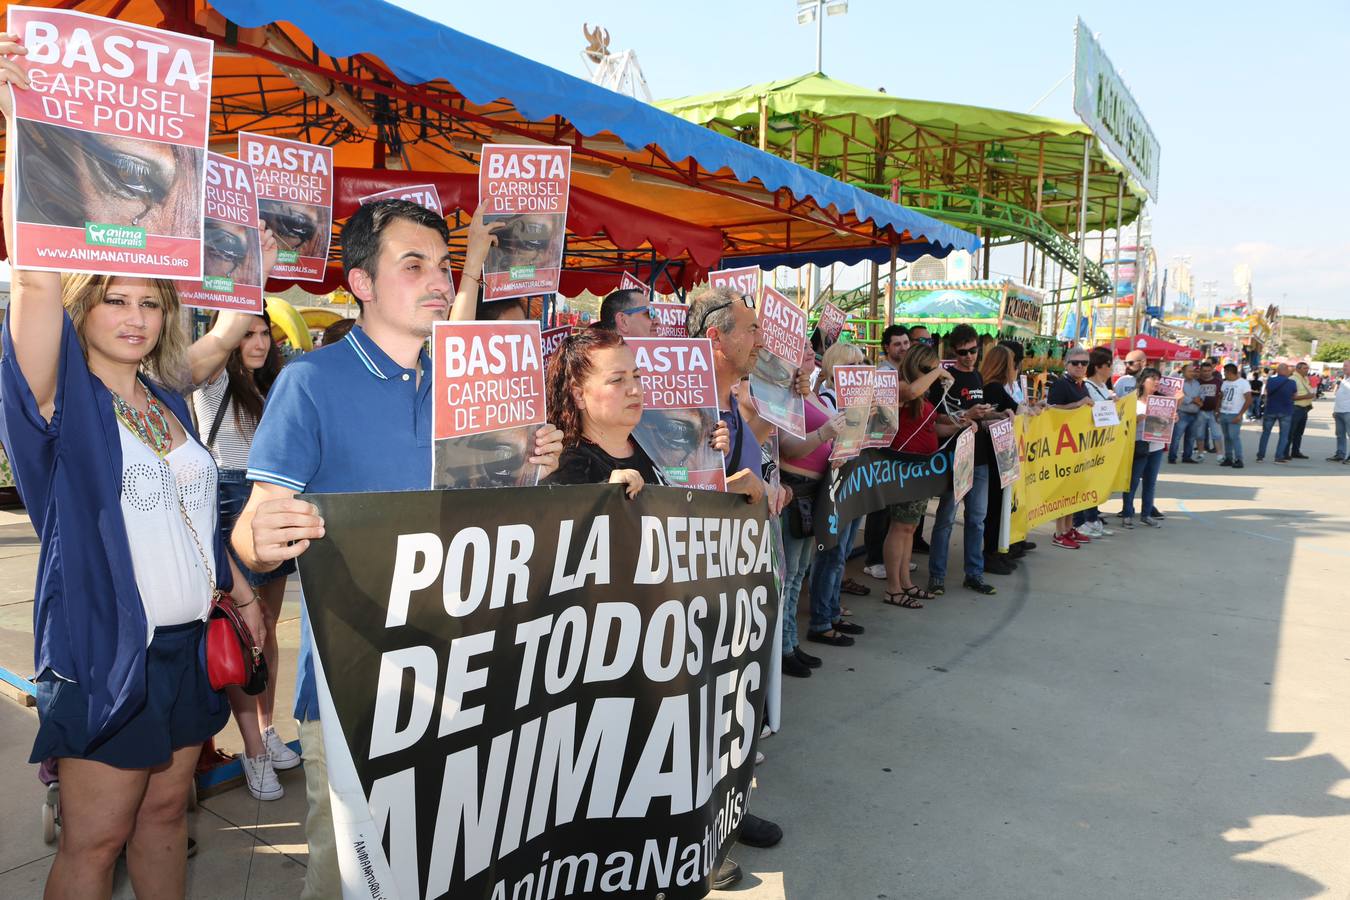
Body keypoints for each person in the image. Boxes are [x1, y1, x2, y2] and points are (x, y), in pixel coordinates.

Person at [232, 199, 564, 899]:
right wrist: (256, 540)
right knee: (351, 877)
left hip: (472, 682)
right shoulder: (310, 384)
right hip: (357, 693)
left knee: (453, 859)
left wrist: (532, 464)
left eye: (444, 266)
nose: (439, 280)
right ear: (361, 283)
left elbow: (499, 516)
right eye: (413, 265)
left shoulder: (472, 383)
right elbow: (256, 526)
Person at [0, 45, 268, 897]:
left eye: (150, 301)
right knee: (96, 841)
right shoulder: (55, 398)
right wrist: (24, 121)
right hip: (102, 651)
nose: (136, 315)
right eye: (115, 298)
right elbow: (36, 283)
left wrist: (241, 590)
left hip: (192, 648)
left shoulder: (168, 399)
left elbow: (194, 511)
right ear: (86, 305)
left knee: (164, 818)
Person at [192, 307, 302, 801]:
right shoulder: (215, 379)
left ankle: (267, 731)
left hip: (272, 499)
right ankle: (254, 752)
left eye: (265, 334)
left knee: (270, 629)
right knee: (243, 632)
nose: (258, 342)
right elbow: (217, 343)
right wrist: (248, 281)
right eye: (248, 334)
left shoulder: (275, 384)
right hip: (230, 500)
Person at [775, 354, 848, 677]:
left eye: (809, 347)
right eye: (802, 347)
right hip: (796, 490)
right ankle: (783, 648)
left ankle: (790, 643)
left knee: (800, 570)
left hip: (815, 491)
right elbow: (788, 448)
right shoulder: (780, 393)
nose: (809, 352)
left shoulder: (811, 392)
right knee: (789, 575)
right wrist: (826, 434)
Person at [882, 344, 966, 606]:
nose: (936, 373)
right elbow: (913, 390)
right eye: (931, 367)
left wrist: (959, 426)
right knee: (899, 526)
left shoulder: (923, 394)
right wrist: (938, 371)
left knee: (910, 527)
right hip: (903, 466)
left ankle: (905, 581)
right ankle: (893, 588)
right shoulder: (901, 386)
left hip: (921, 467)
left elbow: (931, 429)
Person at [926, 324, 1001, 594]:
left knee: (976, 519)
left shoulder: (978, 376)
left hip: (978, 458)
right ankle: (937, 576)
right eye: (963, 352)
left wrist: (997, 415)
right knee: (946, 518)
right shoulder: (946, 379)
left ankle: (974, 574)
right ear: (954, 351)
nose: (969, 356)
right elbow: (937, 416)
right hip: (954, 456)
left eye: (973, 350)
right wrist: (968, 414)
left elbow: (977, 414)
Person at [805, 342, 870, 646]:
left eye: (861, 366)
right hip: (835, 485)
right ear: (836, 369)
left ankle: (831, 611)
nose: (858, 372)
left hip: (852, 484)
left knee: (840, 554)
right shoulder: (827, 400)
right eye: (852, 366)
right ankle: (821, 620)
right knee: (830, 555)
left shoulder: (856, 400)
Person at [975, 344, 1023, 567]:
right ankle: (990, 553)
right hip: (994, 455)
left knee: (996, 505)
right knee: (993, 506)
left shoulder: (993, 387)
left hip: (997, 454)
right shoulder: (994, 388)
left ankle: (994, 550)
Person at [1046, 347, 1094, 549]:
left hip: (1078, 445)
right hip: (1062, 446)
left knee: (1073, 490)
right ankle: (1059, 532)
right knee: (1063, 490)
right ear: (1066, 364)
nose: (1080, 366)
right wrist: (1077, 405)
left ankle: (1068, 528)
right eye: (1076, 363)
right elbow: (1051, 410)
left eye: (1084, 363)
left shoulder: (1083, 385)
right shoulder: (1060, 384)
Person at [1072, 347, 1116, 538]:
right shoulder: (1088, 386)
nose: (1111, 368)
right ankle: (1081, 521)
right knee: (1085, 483)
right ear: (1099, 367)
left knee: (1095, 482)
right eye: (1109, 365)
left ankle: (1092, 519)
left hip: (1102, 443)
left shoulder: (1103, 387)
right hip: (1088, 444)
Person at [1120, 368, 1167, 528]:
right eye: (1152, 378)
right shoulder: (1132, 400)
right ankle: (1127, 514)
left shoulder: (1163, 401)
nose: (1156, 382)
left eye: (1158, 379)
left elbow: (1168, 424)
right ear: (1142, 381)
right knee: (1132, 482)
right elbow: (1123, 423)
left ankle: (1146, 514)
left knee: (1150, 483)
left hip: (1156, 446)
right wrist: (1137, 420)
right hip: (1138, 446)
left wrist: (1173, 417)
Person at [1256, 363, 1298, 463]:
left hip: (1270, 410)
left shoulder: (1270, 380)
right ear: (1286, 371)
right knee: (1284, 435)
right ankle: (1278, 457)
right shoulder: (1292, 382)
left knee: (1265, 433)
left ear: (1278, 371)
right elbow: (1295, 396)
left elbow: (1266, 393)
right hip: (1286, 411)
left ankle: (1260, 456)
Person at [1217, 363, 1252, 468]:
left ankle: (1239, 459)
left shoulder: (1243, 383)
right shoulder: (1225, 383)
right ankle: (1228, 458)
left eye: (1225, 372)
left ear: (1229, 372)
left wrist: (1240, 414)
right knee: (1227, 437)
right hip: (1224, 412)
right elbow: (1221, 397)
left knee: (1234, 437)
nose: (1224, 375)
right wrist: (1217, 410)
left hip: (1234, 414)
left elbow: (1249, 399)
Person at [1170, 365, 1204, 465]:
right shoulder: (1179, 383)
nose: (1192, 373)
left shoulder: (1197, 383)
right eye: (1189, 371)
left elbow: (1202, 394)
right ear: (1183, 372)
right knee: (1177, 436)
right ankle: (1172, 457)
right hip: (1182, 413)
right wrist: (1193, 400)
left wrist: (1200, 399)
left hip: (1195, 413)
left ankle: (1187, 456)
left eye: (1193, 371)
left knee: (1191, 437)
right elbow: (1179, 396)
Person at [1193, 361, 1224, 460]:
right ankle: (1201, 453)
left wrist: (1219, 410)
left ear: (1212, 371)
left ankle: (1219, 455)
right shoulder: (1196, 382)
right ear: (1201, 371)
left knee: (1217, 434)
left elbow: (1221, 396)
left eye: (1208, 371)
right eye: (1204, 371)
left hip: (1213, 411)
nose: (1206, 373)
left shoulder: (1218, 382)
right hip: (1199, 411)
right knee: (1199, 434)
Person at [1288, 361, 1316, 459]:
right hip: (1296, 408)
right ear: (1298, 369)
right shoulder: (1292, 379)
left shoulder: (1305, 378)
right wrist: (1307, 396)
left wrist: (1310, 396)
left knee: (1299, 432)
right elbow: (1290, 396)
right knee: (1291, 432)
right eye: (1305, 368)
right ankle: (1285, 452)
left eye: (1307, 368)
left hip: (1304, 409)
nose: (1307, 370)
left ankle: (1295, 451)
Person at [1331, 362, 1350, 463]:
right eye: (1344, 366)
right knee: (1340, 434)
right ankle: (1340, 454)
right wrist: (1335, 411)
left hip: (1348, 411)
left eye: (1346, 366)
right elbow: (1339, 396)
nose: (1344, 368)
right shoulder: (1344, 380)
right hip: (1339, 411)